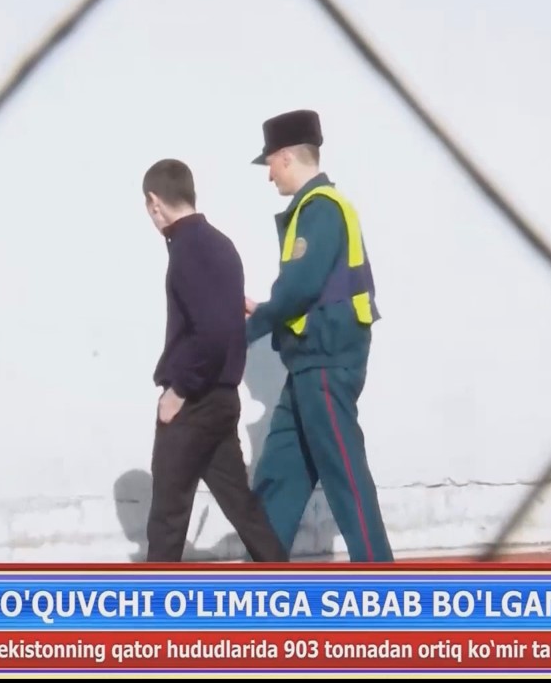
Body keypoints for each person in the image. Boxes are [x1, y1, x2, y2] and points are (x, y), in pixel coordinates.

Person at [242, 110, 394, 563]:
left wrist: (249, 328)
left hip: (326, 362)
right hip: (309, 364)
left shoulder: (319, 209)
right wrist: (266, 312)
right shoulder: (319, 209)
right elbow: (309, 289)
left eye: (270, 162)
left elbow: (299, 287)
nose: (269, 174)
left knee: (346, 477)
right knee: (279, 475)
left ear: (287, 157)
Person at [141, 158, 289, 564]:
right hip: (222, 401)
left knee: (168, 516)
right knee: (242, 506)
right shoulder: (221, 244)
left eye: (148, 209)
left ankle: (152, 599)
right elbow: (224, 324)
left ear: (155, 202)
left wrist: (178, 392)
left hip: (193, 403)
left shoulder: (188, 249)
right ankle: (286, 578)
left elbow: (209, 334)